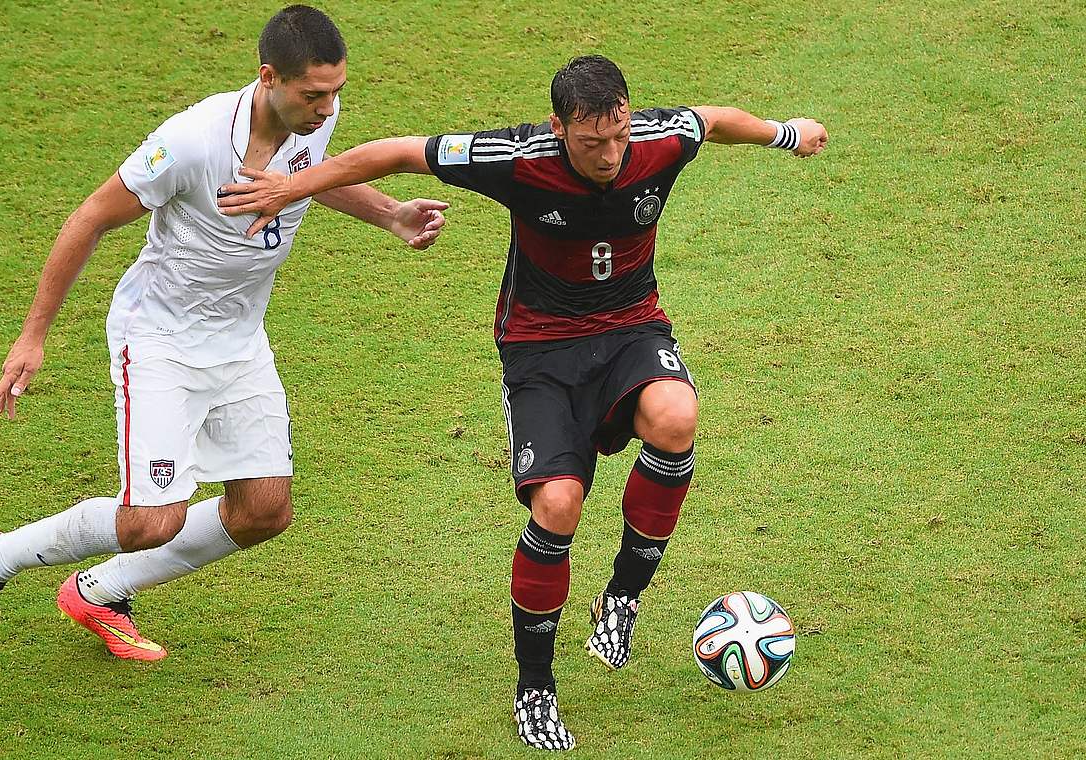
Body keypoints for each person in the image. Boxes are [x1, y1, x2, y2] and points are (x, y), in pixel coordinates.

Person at [215, 54, 827, 750]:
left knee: (677, 416)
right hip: (540, 352)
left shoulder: (659, 139)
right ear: (558, 128)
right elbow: (393, 153)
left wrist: (785, 132)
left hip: (630, 328)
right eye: (592, 142)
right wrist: (288, 190)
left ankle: (623, 595)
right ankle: (535, 685)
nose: (609, 154)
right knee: (557, 504)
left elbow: (715, 120)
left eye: (619, 135)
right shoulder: (516, 156)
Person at [0, 4, 448, 663]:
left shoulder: (314, 118)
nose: (327, 109)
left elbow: (311, 177)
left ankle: (99, 592)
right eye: (314, 94)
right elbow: (89, 217)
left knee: (264, 510)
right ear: (268, 78)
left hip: (239, 340)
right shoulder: (191, 142)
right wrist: (33, 337)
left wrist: (389, 214)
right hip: (160, 340)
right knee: (152, 520)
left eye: (337, 92)